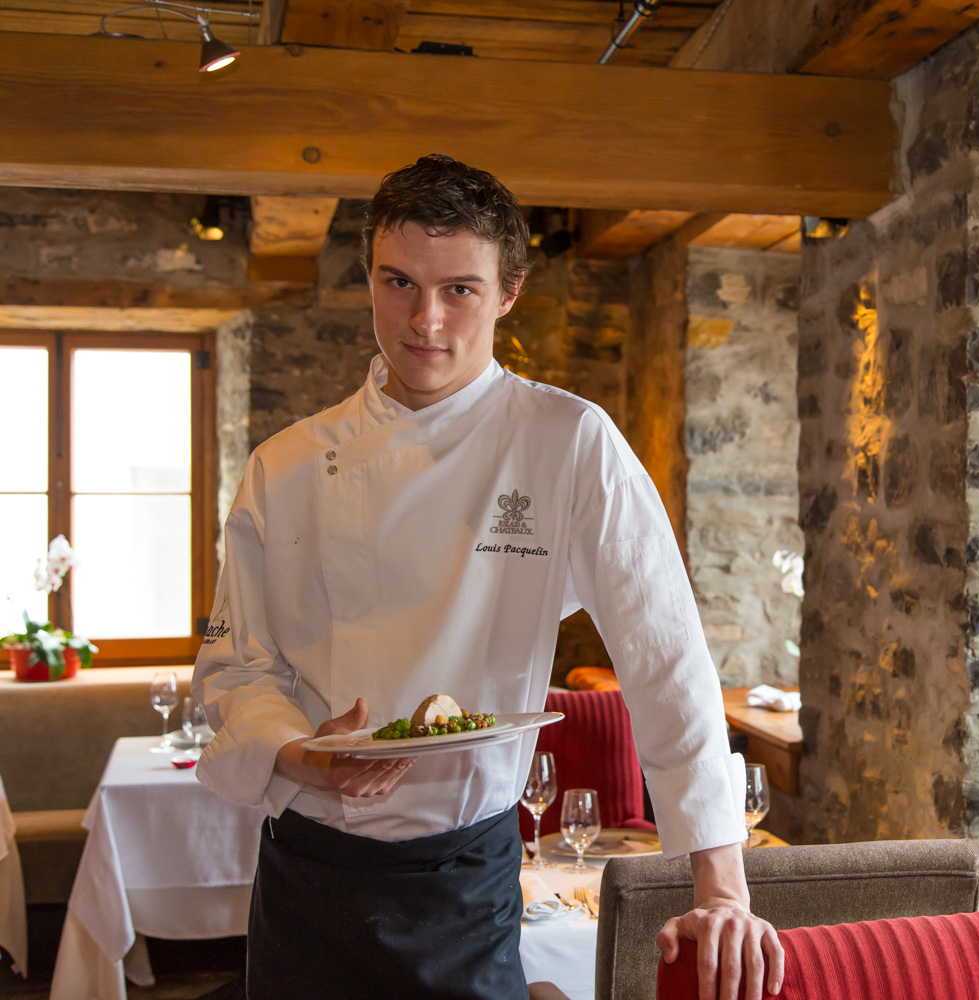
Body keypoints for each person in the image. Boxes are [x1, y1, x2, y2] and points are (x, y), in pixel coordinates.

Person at [193, 153, 783, 1000]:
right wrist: (297, 751)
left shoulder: (566, 442)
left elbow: (665, 658)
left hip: (462, 881)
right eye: (399, 282)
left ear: (508, 293)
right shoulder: (283, 467)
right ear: (368, 276)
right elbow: (235, 671)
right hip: (308, 876)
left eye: (459, 290)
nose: (424, 319)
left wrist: (721, 887)